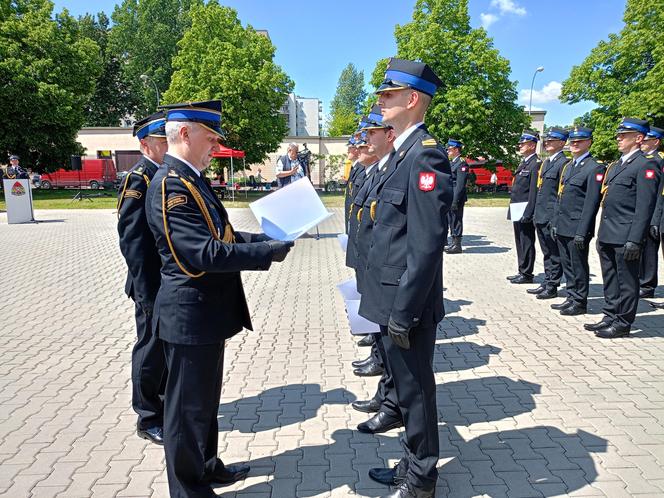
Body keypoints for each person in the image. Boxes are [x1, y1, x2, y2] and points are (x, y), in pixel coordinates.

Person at [145, 100, 294, 497]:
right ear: (184, 133)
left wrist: (263, 240)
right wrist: (265, 254)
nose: (215, 145)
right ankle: (188, 489)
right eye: (210, 137)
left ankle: (207, 467)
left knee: (204, 405)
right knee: (185, 411)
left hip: (206, 315)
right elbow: (201, 253)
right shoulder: (170, 184)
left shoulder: (193, 179)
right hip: (189, 315)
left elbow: (223, 237)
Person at [359, 58, 451, 498]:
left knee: (416, 394)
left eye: (388, 95)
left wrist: (406, 311)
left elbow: (426, 245)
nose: (381, 101)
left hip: (406, 305)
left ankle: (421, 481)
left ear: (412, 99)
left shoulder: (425, 154)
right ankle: (413, 463)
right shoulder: (402, 154)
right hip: (392, 300)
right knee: (410, 392)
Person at [348, 106, 403, 438]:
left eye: (370, 133)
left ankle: (390, 403)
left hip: (387, 273)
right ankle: (386, 399)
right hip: (372, 264)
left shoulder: (396, 169)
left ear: (389, 135)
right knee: (384, 343)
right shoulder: (379, 170)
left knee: (393, 349)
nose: (363, 141)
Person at [117, 111, 169, 446]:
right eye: (163, 141)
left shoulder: (163, 174)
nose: (169, 146)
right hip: (149, 283)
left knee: (163, 349)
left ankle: (162, 403)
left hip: (165, 281)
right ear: (145, 145)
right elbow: (132, 241)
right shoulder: (141, 178)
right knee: (149, 350)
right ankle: (147, 417)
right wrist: (147, 291)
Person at [587, 118, 658, 339]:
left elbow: (645, 206)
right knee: (610, 278)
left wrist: (635, 239)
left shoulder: (646, 164)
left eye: (623, 135)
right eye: (618, 134)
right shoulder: (617, 165)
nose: (618, 138)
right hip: (608, 233)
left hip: (627, 235)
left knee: (627, 281)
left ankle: (622, 323)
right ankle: (610, 315)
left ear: (638, 138)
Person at [551, 127, 604, 316]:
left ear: (589, 142)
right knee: (567, 264)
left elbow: (591, 203)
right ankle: (571, 297)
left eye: (579, 141)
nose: (574, 144)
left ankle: (580, 302)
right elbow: (560, 197)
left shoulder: (594, 167)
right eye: (572, 141)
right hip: (564, 224)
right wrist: (555, 222)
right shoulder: (569, 166)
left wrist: (583, 231)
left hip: (577, 227)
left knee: (578, 265)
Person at [527, 127, 568, 299]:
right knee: (547, 252)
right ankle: (547, 280)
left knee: (554, 252)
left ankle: (552, 285)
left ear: (562, 143)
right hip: (541, 214)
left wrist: (556, 218)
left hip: (551, 215)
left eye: (552, 140)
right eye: (547, 140)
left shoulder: (563, 163)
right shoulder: (547, 163)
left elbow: (561, 194)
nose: (547, 143)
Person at [507, 130, 541, 284]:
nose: (520, 145)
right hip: (517, 207)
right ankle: (521, 269)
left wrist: (529, 211)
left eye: (523, 143)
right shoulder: (524, 162)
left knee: (526, 241)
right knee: (519, 240)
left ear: (532, 145)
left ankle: (527, 273)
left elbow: (534, 191)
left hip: (525, 208)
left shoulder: (536, 164)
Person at [640, 126, 664, 299]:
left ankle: (647, 285)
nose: (642, 143)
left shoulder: (659, 160)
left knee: (649, 250)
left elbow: (660, 193)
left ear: (655, 141)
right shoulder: (642, 158)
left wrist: (655, 218)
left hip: (653, 213)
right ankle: (642, 281)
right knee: (641, 250)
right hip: (642, 212)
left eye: (646, 140)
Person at [444, 139, 468, 254]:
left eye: (450, 149)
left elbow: (460, 184)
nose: (448, 150)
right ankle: (453, 243)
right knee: (451, 219)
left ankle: (457, 245)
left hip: (456, 197)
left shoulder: (462, 163)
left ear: (456, 149)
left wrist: (455, 200)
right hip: (450, 196)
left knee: (456, 219)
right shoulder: (452, 162)